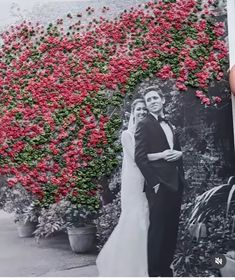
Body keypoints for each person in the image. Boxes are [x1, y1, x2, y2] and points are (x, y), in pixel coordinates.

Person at [135, 86, 186, 277]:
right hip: (159, 186)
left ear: (163, 100)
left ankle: (166, 270)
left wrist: (180, 155)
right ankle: (154, 272)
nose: (152, 101)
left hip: (176, 183)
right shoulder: (144, 124)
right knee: (157, 230)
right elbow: (140, 158)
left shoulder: (170, 124)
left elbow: (175, 152)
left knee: (171, 228)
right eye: (149, 100)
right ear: (147, 105)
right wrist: (154, 183)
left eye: (155, 98)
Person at [96, 98, 149, 276]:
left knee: (146, 218)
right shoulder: (127, 135)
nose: (142, 112)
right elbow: (138, 158)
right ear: (133, 113)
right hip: (134, 181)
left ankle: (145, 261)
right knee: (135, 218)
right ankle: (130, 266)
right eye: (138, 109)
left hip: (147, 178)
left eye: (144, 109)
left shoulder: (147, 131)